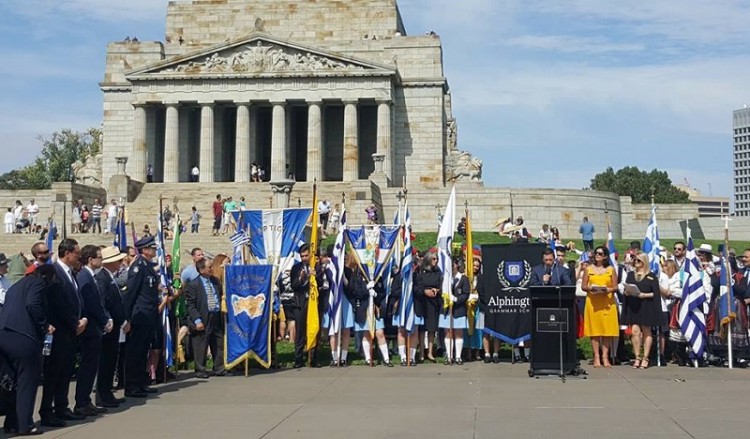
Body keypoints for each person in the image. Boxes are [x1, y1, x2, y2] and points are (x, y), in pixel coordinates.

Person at [0, 264, 56, 435]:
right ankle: (25, 424)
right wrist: (44, 324)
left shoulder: (15, 286)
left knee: (11, 383)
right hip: (24, 338)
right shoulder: (37, 283)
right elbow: (33, 304)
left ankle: (12, 421)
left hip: (4, 334)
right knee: (27, 382)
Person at [39, 238, 86, 428]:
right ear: (67, 253)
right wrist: (74, 322)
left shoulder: (70, 273)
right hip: (59, 331)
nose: (79, 257)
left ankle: (62, 406)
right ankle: (46, 411)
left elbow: (74, 300)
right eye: (77, 253)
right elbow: (57, 304)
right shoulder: (54, 272)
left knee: (65, 372)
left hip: (70, 331)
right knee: (53, 374)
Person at [74, 245, 112, 417]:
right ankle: (82, 402)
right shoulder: (84, 277)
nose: (101, 261)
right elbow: (90, 303)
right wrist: (104, 320)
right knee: (88, 367)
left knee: (91, 367)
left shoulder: (91, 276)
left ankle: (85, 401)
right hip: (89, 329)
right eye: (99, 257)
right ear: (90, 259)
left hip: (95, 328)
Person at [123, 236, 161, 398]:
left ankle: (141, 382)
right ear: (144, 250)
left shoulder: (148, 266)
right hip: (140, 314)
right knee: (135, 351)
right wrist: (127, 317)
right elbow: (131, 293)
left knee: (143, 350)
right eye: (152, 247)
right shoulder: (138, 267)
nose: (154, 250)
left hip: (149, 315)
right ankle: (132, 385)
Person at [94, 247, 128, 408]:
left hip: (115, 325)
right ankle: (103, 394)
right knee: (106, 361)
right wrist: (108, 319)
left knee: (110, 360)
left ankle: (106, 392)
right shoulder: (102, 278)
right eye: (119, 261)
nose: (121, 264)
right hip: (109, 327)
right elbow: (103, 301)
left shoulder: (110, 277)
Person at [344, 262, 392, 367]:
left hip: (375, 309)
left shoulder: (377, 278)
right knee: (366, 333)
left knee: (380, 333)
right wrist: (367, 288)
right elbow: (356, 293)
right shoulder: (358, 278)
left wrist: (376, 294)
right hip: (363, 309)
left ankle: (386, 358)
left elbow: (382, 293)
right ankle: (368, 358)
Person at [621, 252, 661, 369]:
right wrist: (627, 292)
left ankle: (646, 357)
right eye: (635, 260)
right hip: (634, 306)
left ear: (644, 262)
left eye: (638, 260)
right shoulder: (630, 275)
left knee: (647, 331)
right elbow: (626, 288)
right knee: (635, 332)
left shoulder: (651, 276)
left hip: (647, 306)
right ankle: (637, 356)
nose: (636, 263)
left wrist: (644, 295)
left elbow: (656, 293)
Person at [185, 259, 225, 378]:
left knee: (218, 342)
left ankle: (219, 368)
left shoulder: (215, 281)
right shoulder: (194, 284)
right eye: (209, 268)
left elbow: (219, 295)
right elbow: (191, 305)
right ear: (201, 270)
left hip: (215, 315)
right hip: (202, 317)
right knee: (201, 344)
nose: (211, 269)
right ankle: (200, 370)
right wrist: (197, 320)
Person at [581, 245, 618, 368]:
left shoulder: (611, 269)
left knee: (607, 330)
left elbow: (616, 287)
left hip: (607, 302)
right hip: (593, 302)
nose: (597, 255)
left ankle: (605, 357)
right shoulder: (588, 269)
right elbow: (583, 286)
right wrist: (591, 288)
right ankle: (596, 356)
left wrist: (608, 289)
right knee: (595, 330)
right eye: (596, 253)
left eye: (601, 253)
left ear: (606, 256)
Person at [290, 244, 319, 367]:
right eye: (302, 256)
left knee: (314, 329)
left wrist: (316, 275)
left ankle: (313, 358)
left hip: (313, 302)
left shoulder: (317, 267)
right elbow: (294, 285)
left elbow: (324, 284)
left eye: (306, 256)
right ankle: (298, 358)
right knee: (300, 331)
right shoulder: (296, 268)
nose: (304, 258)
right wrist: (302, 278)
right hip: (300, 302)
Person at [439, 259, 470, 365]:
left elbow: (466, 294)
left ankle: (458, 356)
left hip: (459, 310)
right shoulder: (445, 278)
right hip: (446, 310)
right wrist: (446, 298)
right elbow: (440, 291)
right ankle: (449, 356)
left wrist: (456, 299)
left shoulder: (463, 279)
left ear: (456, 265)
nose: (451, 267)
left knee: (459, 333)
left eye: (452, 265)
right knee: (447, 332)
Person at [415, 251, 441, 362]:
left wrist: (437, 290)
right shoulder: (420, 272)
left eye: (437, 259)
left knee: (431, 329)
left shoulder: (438, 272)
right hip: (422, 302)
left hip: (433, 303)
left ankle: (430, 352)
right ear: (428, 260)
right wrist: (425, 291)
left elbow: (441, 285)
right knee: (422, 329)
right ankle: (421, 352)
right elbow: (416, 288)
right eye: (434, 259)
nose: (436, 261)